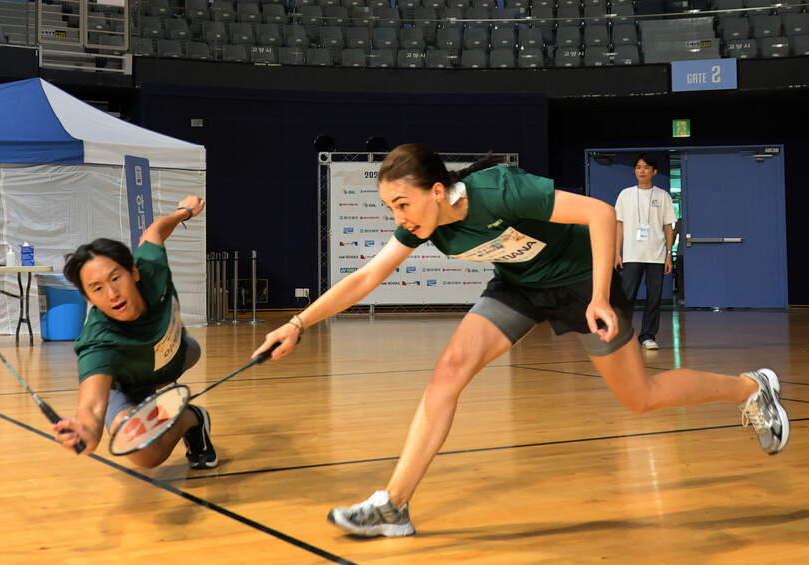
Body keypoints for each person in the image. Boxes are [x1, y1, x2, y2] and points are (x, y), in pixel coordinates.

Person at [252, 144, 789, 538]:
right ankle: (394, 504)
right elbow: (365, 278)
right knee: (449, 370)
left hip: (581, 283)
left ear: (436, 192)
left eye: (403, 204)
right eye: (391, 207)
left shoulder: (500, 191)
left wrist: (600, 296)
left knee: (640, 397)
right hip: (519, 287)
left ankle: (749, 388)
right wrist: (298, 324)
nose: (399, 217)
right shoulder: (425, 225)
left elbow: (602, 215)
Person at [52, 196, 218, 470]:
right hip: (128, 385)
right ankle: (192, 418)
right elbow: (92, 405)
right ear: (89, 298)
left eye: (116, 278)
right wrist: (88, 432)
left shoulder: (152, 269)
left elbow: (154, 231)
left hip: (180, 353)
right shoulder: (99, 341)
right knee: (143, 454)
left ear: (134, 272)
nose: (112, 294)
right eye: (97, 288)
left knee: (192, 349)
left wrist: (184, 211)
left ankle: (160, 402)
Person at [614, 154, 677, 350]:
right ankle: (623, 336)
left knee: (654, 297)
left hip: (657, 255)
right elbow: (619, 225)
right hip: (632, 254)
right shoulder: (625, 194)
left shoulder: (663, 195)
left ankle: (648, 336)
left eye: (646, 167)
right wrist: (617, 252)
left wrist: (668, 254)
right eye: (638, 167)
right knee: (627, 297)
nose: (642, 171)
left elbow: (669, 228)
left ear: (654, 171)